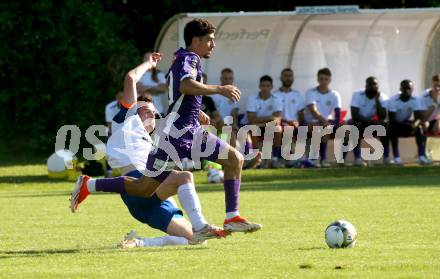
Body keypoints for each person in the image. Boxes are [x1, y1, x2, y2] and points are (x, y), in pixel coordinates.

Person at [72, 18, 261, 233]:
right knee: (143, 188)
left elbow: (178, 94)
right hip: (175, 137)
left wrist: (194, 110)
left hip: (192, 130)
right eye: (209, 40)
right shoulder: (187, 58)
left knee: (234, 158)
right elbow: (185, 85)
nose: (213, 44)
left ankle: (232, 217)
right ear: (196, 40)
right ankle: (89, 184)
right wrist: (219, 89)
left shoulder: (185, 58)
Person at [71, 53, 227, 244]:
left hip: (151, 199)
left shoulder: (154, 139)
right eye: (146, 111)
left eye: (154, 113)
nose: (151, 116)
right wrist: (148, 64)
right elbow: (130, 78)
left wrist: (195, 115)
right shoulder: (127, 119)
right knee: (185, 177)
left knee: (195, 240)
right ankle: (201, 225)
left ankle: (138, 243)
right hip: (136, 186)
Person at [303, 68, 341, 167]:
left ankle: (323, 159)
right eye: (321, 79)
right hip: (310, 122)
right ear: (318, 79)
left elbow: (337, 113)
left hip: (325, 123)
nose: (323, 81)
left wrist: (335, 124)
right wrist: (324, 121)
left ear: (330, 80)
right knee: (318, 128)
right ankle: (314, 159)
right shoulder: (310, 92)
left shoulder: (335, 95)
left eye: (326, 79)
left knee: (326, 128)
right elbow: (312, 109)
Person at [348, 77, 389, 166]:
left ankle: (386, 158)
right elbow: (355, 115)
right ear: (366, 86)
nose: (372, 86)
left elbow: (383, 116)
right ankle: (357, 159)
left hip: (370, 123)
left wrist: (377, 100)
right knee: (355, 126)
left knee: (385, 126)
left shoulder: (382, 97)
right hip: (359, 122)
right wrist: (370, 122)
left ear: (378, 86)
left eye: (374, 84)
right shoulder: (357, 94)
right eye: (370, 84)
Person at [247, 75, 283, 168]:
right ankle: (256, 158)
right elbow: (251, 118)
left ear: (271, 87)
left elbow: (277, 120)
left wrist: (262, 123)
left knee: (278, 129)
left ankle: (274, 158)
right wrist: (270, 117)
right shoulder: (252, 98)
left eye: (268, 86)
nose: (265, 88)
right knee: (253, 128)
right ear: (259, 86)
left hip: (265, 125)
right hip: (257, 125)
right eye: (263, 85)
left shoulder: (277, 99)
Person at [387, 80, 424, 165]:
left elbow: (418, 118)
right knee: (392, 130)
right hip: (395, 124)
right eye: (405, 88)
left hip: (406, 123)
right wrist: (407, 125)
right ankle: (396, 157)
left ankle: (421, 156)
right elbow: (392, 120)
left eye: (409, 88)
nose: (407, 90)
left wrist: (414, 125)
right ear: (400, 89)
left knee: (419, 128)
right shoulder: (393, 100)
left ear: (412, 89)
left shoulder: (416, 99)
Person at [273, 68, 305, 167]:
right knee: (284, 129)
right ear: (281, 78)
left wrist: (298, 122)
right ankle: (277, 159)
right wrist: (285, 122)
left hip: (294, 125)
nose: (288, 78)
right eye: (285, 76)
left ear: (293, 78)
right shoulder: (275, 95)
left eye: (290, 76)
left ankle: (301, 159)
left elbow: (301, 113)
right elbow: (274, 115)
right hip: (281, 124)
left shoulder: (297, 94)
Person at [137, 52, 168, 116]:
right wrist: (156, 89)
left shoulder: (160, 74)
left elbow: (164, 88)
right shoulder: (139, 73)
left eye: (150, 58)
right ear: (143, 60)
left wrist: (147, 88)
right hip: (142, 112)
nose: (148, 60)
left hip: (157, 111)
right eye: (146, 58)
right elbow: (139, 89)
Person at [418, 73, 440, 164]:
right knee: (424, 126)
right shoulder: (424, 96)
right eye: (436, 86)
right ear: (432, 84)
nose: (438, 88)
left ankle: (434, 153)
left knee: (437, 127)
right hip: (424, 120)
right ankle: (423, 155)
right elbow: (423, 117)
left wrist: (438, 119)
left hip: (436, 119)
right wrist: (435, 103)